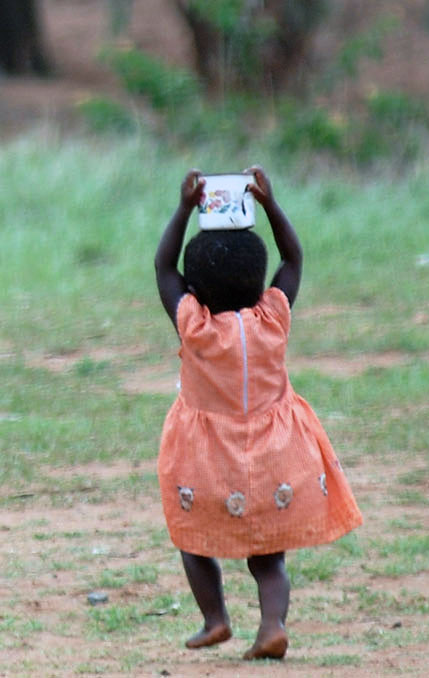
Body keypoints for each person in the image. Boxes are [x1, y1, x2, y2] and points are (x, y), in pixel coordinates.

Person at [152, 167, 361, 659]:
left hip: (207, 460)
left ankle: (215, 619)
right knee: (268, 558)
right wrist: (268, 205)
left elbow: (163, 269)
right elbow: (293, 257)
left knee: (193, 538)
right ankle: (272, 625)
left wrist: (185, 208)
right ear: (257, 282)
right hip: (274, 456)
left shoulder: (195, 326)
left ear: (195, 290)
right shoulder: (273, 318)